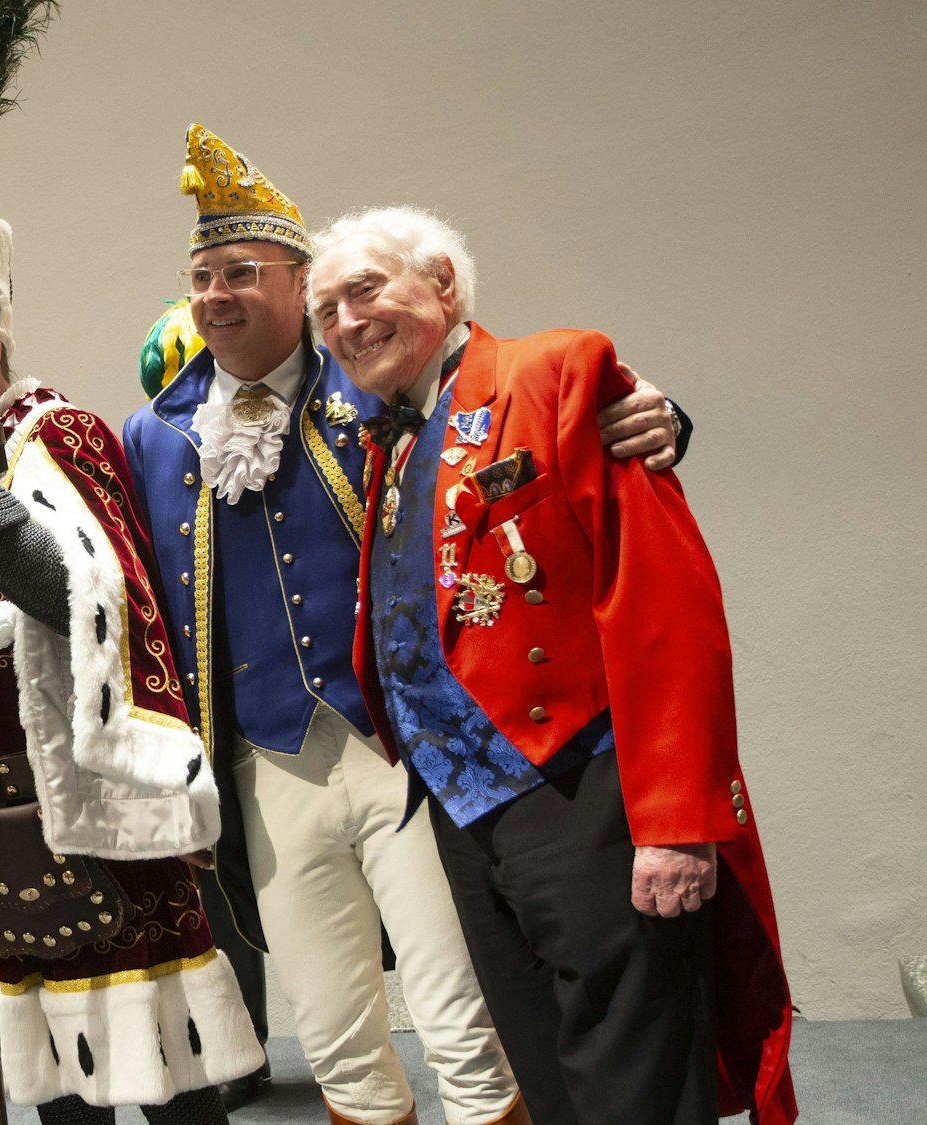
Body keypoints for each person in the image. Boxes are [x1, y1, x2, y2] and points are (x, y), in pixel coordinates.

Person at [121, 125, 695, 1125]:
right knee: (334, 1031)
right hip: (264, 762)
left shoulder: (378, 378)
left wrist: (656, 414)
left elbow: (527, 421)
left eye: (242, 272)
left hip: (403, 752)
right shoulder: (154, 430)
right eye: (200, 276)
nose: (215, 294)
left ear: (295, 285)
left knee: (464, 1015)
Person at [306, 206, 796, 1124]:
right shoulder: (388, 433)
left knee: (636, 1075)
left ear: (442, 282)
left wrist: (676, 824)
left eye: (364, 290)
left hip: (588, 789)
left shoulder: (555, 371)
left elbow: (667, 608)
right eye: (326, 309)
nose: (345, 322)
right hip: (464, 810)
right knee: (545, 1068)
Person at [0, 200, 263, 1124]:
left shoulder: (62, 435)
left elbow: (90, 599)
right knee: (57, 1083)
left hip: (93, 808)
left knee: (166, 1076)